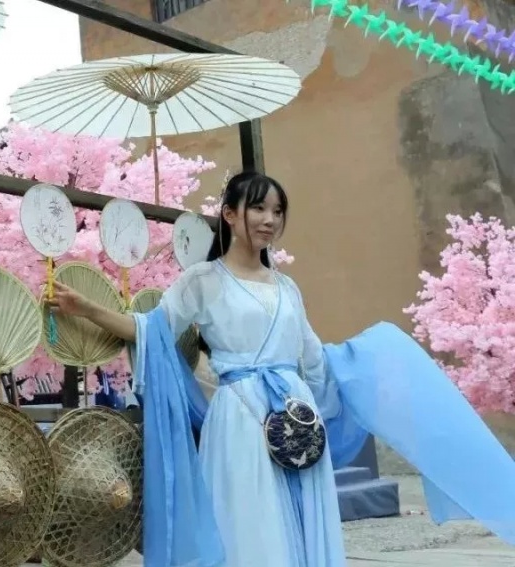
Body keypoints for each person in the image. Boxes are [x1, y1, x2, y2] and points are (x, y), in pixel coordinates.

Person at [48, 171, 515, 567]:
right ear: (229, 214)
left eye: (277, 211)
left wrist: (371, 364)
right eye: (258, 208)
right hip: (239, 417)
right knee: (248, 520)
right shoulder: (203, 281)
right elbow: (151, 329)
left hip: (297, 416)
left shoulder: (287, 288)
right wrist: (87, 308)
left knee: (303, 518)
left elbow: (313, 360)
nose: (270, 219)